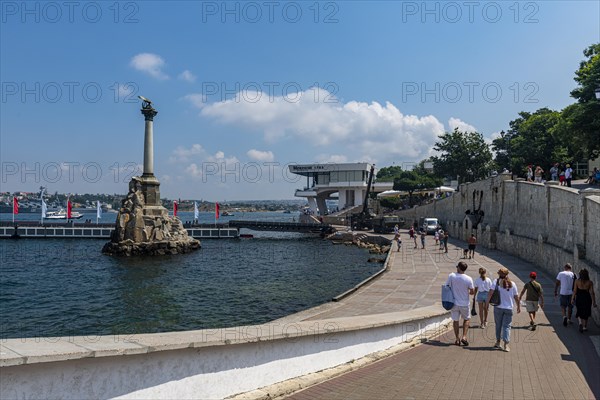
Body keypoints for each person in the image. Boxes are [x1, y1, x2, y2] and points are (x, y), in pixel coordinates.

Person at [488, 267, 520, 352]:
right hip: (508, 308)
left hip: (498, 307)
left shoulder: (496, 282)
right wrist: (518, 306)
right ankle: (506, 345)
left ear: (499, 274)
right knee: (507, 326)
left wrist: (487, 303)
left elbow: (490, 293)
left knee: (498, 325)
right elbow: (516, 296)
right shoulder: (512, 284)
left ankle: (498, 342)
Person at [446, 261, 475, 346]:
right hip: (465, 303)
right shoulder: (469, 278)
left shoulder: (451, 276)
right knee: (466, 319)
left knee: (455, 320)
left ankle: (457, 339)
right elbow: (472, 292)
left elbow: (446, 286)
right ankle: (464, 336)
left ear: (458, 268)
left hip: (454, 303)